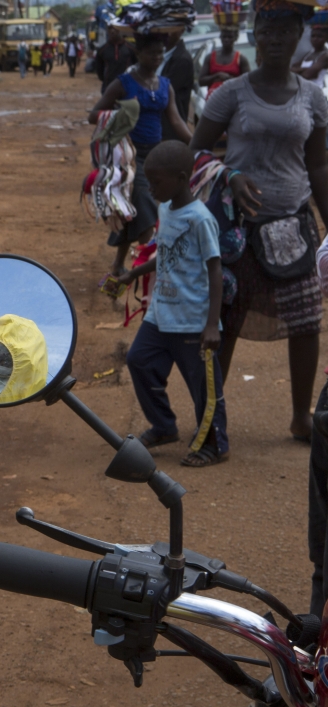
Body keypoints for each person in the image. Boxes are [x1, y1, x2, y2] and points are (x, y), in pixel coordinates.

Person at [190, 0, 328, 446]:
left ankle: (300, 418)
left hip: (293, 228)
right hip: (238, 231)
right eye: (266, 32)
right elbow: (195, 152)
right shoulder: (232, 93)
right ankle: (211, 415)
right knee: (225, 323)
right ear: (255, 35)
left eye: (284, 33)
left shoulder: (312, 97)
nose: (274, 40)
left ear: (298, 37)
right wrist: (230, 174)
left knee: (306, 322)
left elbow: (319, 166)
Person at [120, 141, 228, 467]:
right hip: (161, 314)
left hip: (193, 321)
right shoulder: (166, 210)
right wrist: (134, 273)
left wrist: (212, 324)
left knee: (203, 387)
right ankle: (164, 425)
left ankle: (215, 444)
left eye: (157, 183)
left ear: (182, 179)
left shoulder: (200, 219)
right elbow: (164, 254)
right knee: (139, 360)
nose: (151, 189)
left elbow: (215, 269)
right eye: (149, 182)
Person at [89, 32, 193, 273]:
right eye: (151, 52)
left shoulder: (165, 85)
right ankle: (149, 268)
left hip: (157, 157)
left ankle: (118, 265)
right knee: (146, 206)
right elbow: (93, 115)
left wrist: (198, 144)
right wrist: (122, 115)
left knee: (133, 210)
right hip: (128, 159)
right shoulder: (124, 83)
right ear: (139, 53)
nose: (156, 57)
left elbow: (177, 122)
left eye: (160, 53)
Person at [160, 31, 196, 141]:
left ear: (180, 31)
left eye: (172, 31)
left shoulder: (182, 59)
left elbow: (164, 92)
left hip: (170, 127)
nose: (169, 34)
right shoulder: (165, 55)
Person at [200, 27, 251, 99]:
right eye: (224, 37)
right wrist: (217, 76)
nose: (226, 39)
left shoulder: (241, 59)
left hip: (234, 102)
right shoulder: (210, 57)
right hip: (213, 101)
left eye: (230, 37)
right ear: (220, 37)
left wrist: (228, 78)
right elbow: (201, 81)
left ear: (235, 38)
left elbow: (247, 83)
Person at [94, 26, 138, 92]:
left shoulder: (131, 48)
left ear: (121, 30)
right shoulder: (102, 50)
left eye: (115, 28)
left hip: (127, 86)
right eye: (110, 29)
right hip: (108, 86)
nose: (112, 31)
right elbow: (99, 68)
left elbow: (137, 65)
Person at [293, 11, 328, 85]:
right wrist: (304, 69)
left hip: (316, 91)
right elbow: (290, 70)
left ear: (326, 38)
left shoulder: (325, 55)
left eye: (319, 36)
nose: (315, 39)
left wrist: (299, 70)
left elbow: (307, 75)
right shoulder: (309, 53)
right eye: (313, 36)